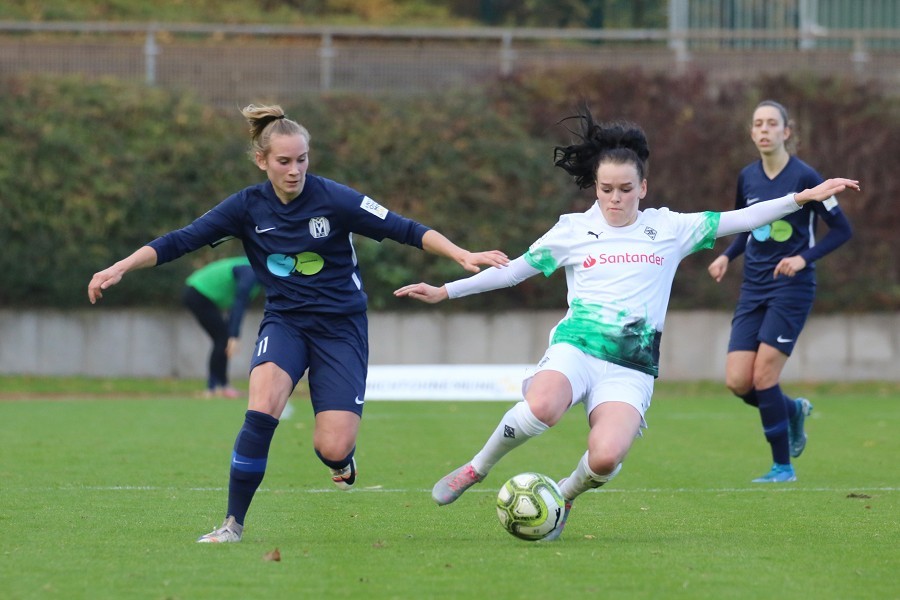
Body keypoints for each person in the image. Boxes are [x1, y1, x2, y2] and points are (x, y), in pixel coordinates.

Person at [394, 108, 858, 540]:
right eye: (605, 189)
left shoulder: (671, 228)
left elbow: (744, 217)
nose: (615, 198)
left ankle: (564, 496)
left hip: (631, 366)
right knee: (543, 406)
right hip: (577, 348)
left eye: (624, 189)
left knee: (606, 456)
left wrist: (802, 198)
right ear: (594, 186)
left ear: (643, 187)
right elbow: (514, 270)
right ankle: (476, 467)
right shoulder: (571, 230)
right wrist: (446, 291)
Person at [88, 103, 508, 543]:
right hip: (285, 322)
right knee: (261, 407)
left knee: (332, 446)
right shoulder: (246, 207)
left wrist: (461, 254)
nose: (295, 170)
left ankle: (342, 462)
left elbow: (404, 227)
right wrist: (122, 266)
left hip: (341, 328)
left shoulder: (335, 199)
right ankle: (232, 524)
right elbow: (180, 240)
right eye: (284, 161)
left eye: (302, 159)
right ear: (262, 161)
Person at [707, 100, 853, 483]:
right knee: (738, 381)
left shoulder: (806, 175)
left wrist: (805, 258)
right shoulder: (747, 178)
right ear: (752, 133)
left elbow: (842, 229)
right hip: (752, 287)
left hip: (792, 288)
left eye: (772, 123)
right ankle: (792, 411)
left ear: (786, 132)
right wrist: (727, 256)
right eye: (758, 124)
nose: (765, 129)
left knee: (764, 376)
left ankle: (782, 467)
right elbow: (746, 224)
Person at [183, 255, 261, 398]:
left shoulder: (257, 274)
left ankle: (221, 385)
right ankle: (213, 387)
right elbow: (239, 303)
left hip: (201, 294)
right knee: (222, 339)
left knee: (223, 339)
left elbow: (236, 308)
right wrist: (234, 335)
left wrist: (232, 333)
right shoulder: (251, 271)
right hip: (198, 293)